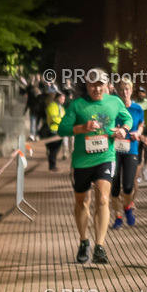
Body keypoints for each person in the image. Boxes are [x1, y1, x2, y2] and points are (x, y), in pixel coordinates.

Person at [56, 68, 130, 264]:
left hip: (106, 157)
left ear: (106, 85)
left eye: (100, 85)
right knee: (82, 202)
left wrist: (123, 129)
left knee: (103, 198)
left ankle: (100, 246)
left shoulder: (114, 102)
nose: (97, 89)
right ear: (87, 86)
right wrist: (83, 128)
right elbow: (62, 129)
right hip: (82, 161)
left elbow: (127, 118)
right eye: (93, 85)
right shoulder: (77, 105)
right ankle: (83, 242)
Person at [110, 78, 145, 229]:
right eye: (121, 89)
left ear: (131, 90)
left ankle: (127, 206)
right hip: (114, 150)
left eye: (127, 89)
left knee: (129, 186)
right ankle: (117, 216)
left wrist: (138, 132)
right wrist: (115, 131)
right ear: (117, 91)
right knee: (114, 185)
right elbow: (107, 125)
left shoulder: (137, 109)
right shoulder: (113, 108)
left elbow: (141, 124)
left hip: (131, 149)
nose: (124, 92)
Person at [43, 92, 66, 172]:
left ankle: (52, 164)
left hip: (60, 130)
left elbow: (64, 117)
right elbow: (54, 118)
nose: (63, 100)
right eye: (62, 98)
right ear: (57, 98)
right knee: (54, 149)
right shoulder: (52, 106)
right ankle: (52, 166)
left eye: (64, 99)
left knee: (56, 149)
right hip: (53, 130)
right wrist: (63, 123)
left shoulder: (61, 108)